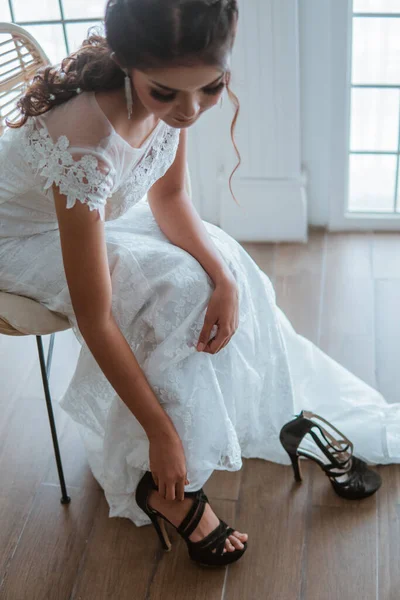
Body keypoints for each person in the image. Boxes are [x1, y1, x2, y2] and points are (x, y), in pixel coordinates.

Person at [0, 0, 399, 566]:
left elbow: (168, 197)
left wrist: (224, 279)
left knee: (229, 267)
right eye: (166, 94)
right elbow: (95, 317)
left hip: (95, 215)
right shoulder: (87, 140)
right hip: (16, 239)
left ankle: (270, 409)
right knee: (171, 294)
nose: (188, 110)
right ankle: (166, 478)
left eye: (211, 88)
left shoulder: (169, 96)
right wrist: (160, 433)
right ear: (127, 63)